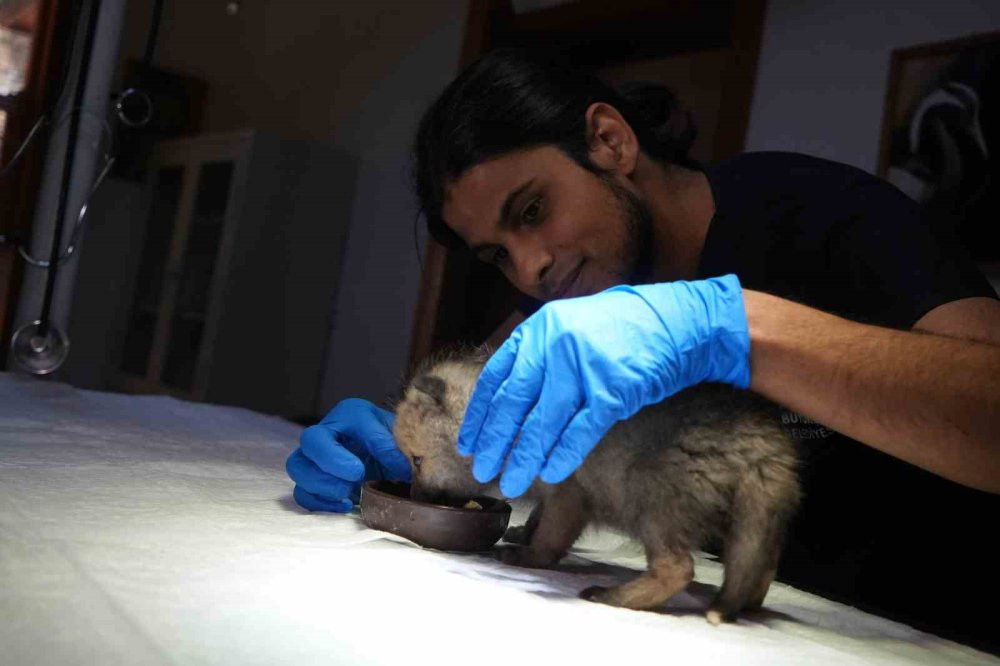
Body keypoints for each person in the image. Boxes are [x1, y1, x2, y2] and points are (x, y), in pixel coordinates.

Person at [285, 50, 1000, 648]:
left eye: (532, 211)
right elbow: (472, 402)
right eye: (497, 254)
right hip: (733, 632)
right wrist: (409, 456)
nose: (529, 268)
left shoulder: (830, 216)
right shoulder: (562, 300)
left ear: (610, 143)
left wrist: (731, 328)